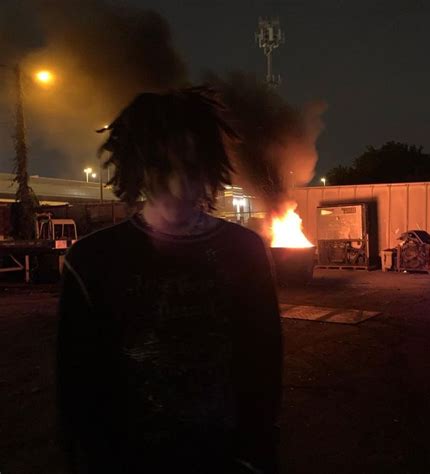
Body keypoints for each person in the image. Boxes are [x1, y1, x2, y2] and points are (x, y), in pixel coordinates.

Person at [57, 87, 282, 474]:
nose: (180, 182)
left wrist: (252, 457)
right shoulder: (92, 261)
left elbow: (263, 363)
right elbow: (77, 381)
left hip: (221, 458)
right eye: (164, 164)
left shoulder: (245, 252)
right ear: (138, 167)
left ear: (209, 165)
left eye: (192, 163)